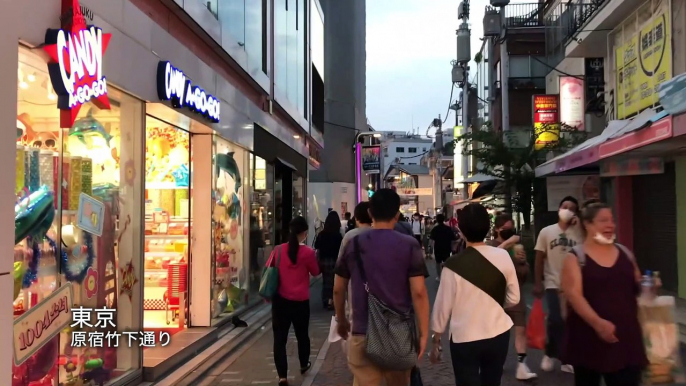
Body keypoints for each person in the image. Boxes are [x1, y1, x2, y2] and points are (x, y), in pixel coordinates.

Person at [333, 189, 430, 385]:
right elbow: (419, 292)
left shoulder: (354, 243)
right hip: (399, 334)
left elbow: (338, 288)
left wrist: (342, 322)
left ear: (370, 214)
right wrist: (424, 332)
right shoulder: (410, 245)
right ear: (397, 214)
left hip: (362, 332)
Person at [430, 203, 520, 386]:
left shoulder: (452, 265)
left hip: (464, 338)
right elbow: (514, 299)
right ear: (488, 227)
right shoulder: (502, 256)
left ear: (461, 230)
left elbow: (442, 308)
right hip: (498, 333)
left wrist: (436, 340)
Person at [561, 202, 648, 386]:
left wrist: (651, 286)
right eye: (603, 221)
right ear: (587, 224)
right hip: (588, 338)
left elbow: (638, 285)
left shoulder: (626, 253)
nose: (610, 225)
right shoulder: (576, 257)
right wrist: (598, 324)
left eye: (612, 220)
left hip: (625, 338)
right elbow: (574, 296)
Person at [269, 216, 320, 386]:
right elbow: (315, 272)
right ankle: (304, 364)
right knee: (302, 335)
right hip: (300, 302)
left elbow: (268, 270)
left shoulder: (278, 250)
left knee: (279, 339)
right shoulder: (308, 253)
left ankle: (282, 377)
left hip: (280, 301)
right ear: (305, 233)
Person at [534, 196, 582, 373]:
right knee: (556, 319)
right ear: (559, 208)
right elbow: (539, 258)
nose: (567, 210)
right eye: (564, 206)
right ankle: (551, 354)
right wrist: (538, 282)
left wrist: (580, 227)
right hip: (552, 283)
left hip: (574, 285)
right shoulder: (547, 232)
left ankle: (564, 358)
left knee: (569, 322)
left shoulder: (579, 233)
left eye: (572, 208)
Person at [487, 213, 536, 381]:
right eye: (505, 229)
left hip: (515, 295)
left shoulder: (517, 248)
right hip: (496, 296)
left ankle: (522, 365)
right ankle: (495, 361)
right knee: (497, 333)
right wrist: (508, 243)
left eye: (511, 228)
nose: (509, 232)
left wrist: (523, 263)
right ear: (497, 230)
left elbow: (524, 273)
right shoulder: (491, 246)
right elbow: (489, 261)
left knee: (520, 330)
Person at [337, 202, 373, 322]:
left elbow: (340, 269)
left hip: (354, 285)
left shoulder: (350, 236)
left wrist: (340, 316)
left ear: (356, 218)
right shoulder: (378, 234)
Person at [315, 211, 344, 309]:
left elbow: (316, 246)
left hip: (324, 260)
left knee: (326, 281)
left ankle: (326, 300)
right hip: (335, 260)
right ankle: (332, 301)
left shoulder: (322, 234)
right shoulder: (338, 236)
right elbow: (341, 249)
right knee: (334, 281)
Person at [430, 214, 456, 281]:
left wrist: (431, 248)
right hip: (447, 247)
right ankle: (446, 276)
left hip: (437, 248)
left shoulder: (435, 229)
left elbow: (432, 240)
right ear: (444, 219)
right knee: (447, 262)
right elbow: (453, 239)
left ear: (437, 220)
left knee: (438, 262)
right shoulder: (448, 228)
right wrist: (453, 248)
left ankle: (439, 276)